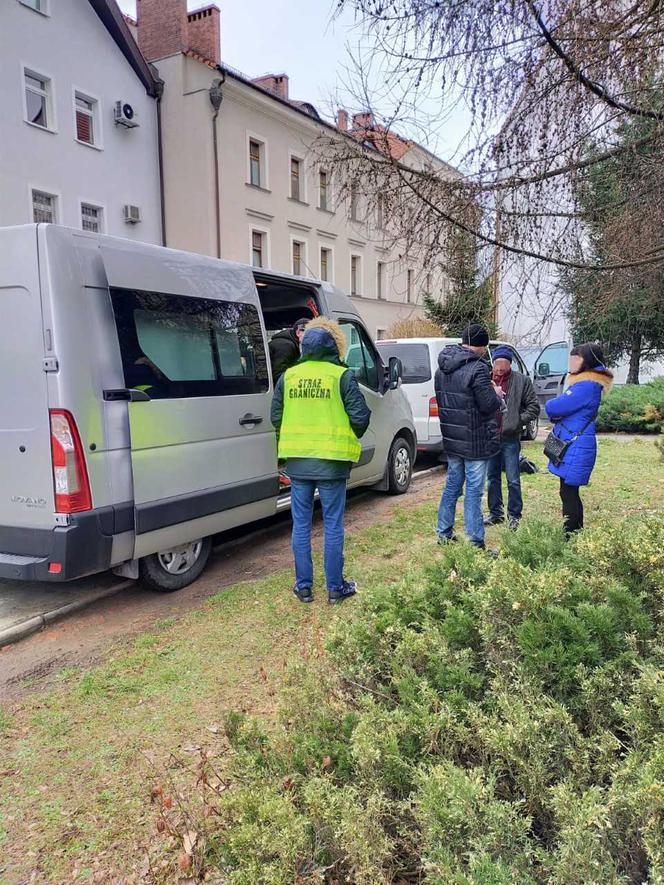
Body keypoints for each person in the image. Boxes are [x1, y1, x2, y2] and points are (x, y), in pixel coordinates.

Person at [271, 317, 371, 604]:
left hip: (299, 462)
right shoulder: (341, 376)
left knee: (300, 525)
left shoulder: (288, 376)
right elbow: (360, 419)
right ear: (333, 347)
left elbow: (275, 417)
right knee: (332, 525)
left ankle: (303, 587)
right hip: (333, 462)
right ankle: (335, 589)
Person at [435, 323, 504, 549]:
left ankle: (444, 532)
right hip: (476, 442)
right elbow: (487, 405)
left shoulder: (442, 367)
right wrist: (497, 394)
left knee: (452, 485)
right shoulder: (478, 368)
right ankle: (475, 541)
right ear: (482, 346)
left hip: (453, 439)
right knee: (474, 490)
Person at [545, 342, 613, 534]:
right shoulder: (585, 383)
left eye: (577, 358)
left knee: (569, 493)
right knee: (567, 491)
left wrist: (556, 409)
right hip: (574, 443)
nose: (572, 362)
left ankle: (572, 534)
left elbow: (555, 406)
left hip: (576, 445)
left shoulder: (586, 385)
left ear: (587, 361)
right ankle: (573, 531)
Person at [485, 346, 540, 530]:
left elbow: (533, 407)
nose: (499, 369)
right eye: (497, 364)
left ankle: (514, 515)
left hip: (510, 437)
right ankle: (495, 513)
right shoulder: (485, 379)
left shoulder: (521, 381)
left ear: (510, 364)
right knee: (492, 477)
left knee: (513, 479)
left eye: (503, 364)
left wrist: (517, 421)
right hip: (490, 437)